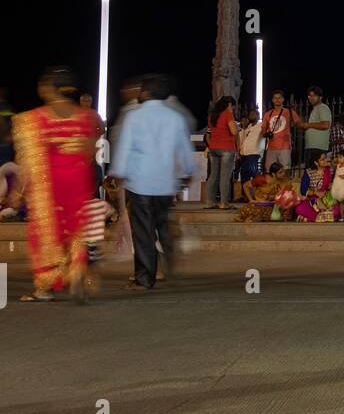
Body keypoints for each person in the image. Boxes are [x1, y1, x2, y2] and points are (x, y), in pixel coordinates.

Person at [12, 67, 105, 302]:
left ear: (50, 88)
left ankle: (45, 285)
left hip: (49, 183)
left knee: (46, 231)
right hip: (78, 178)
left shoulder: (33, 119)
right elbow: (91, 150)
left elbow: (27, 159)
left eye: (43, 85)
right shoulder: (89, 117)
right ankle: (77, 269)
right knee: (76, 227)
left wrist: (19, 189)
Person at [110, 73, 196, 291]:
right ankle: (169, 259)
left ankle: (145, 278)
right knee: (162, 225)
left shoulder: (134, 116)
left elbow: (125, 148)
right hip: (165, 183)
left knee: (143, 231)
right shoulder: (175, 118)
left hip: (140, 182)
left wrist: (117, 172)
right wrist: (187, 171)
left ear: (146, 93)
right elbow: (185, 149)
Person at [205, 95, 239, 210]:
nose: (233, 109)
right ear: (229, 105)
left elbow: (210, 133)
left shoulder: (212, 116)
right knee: (225, 176)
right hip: (226, 148)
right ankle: (224, 203)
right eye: (232, 107)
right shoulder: (228, 114)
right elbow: (234, 132)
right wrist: (235, 125)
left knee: (213, 176)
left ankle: (210, 202)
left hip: (213, 148)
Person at [261, 90, 301, 173]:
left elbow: (299, 124)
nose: (277, 100)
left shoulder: (289, 112)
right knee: (269, 172)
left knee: (285, 171)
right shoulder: (267, 114)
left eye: (279, 98)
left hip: (285, 146)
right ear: (272, 100)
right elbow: (263, 130)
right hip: (271, 147)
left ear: (283, 99)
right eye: (275, 98)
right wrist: (266, 134)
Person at [295, 86, 331, 167]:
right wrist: (304, 126)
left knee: (314, 173)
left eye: (314, 96)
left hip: (317, 147)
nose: (311, 98)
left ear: (320, 97)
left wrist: (308, 125)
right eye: (309, 96)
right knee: (311, 173)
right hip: (312, 146)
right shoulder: (315, 109)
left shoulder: (322, 108)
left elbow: (325, 125)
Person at [295, 153, 334, 222]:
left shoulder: (330, 171)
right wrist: (315, 192)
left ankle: (309, 218)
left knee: (336, 210)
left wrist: (328, 189)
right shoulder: (309, 172)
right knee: (299, 209)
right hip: (313, 201)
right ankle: (321, 217)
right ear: (316, 162)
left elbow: (334, 185)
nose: (325, 160)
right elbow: (303, 190)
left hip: (327, 200)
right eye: (322, 159)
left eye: (325, 158)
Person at [237, 106, 265, 197]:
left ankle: (258, 195)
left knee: (254, 174)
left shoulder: (261, 125)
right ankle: (244, 196)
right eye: (250, 114)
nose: (251, 116)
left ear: (258, 115)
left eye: (254, 114)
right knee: (244, 175)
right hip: (244, 154)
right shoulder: (248, 127)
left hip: (254, 154)